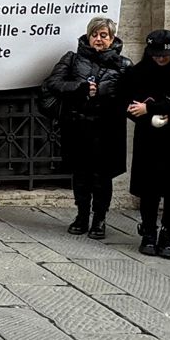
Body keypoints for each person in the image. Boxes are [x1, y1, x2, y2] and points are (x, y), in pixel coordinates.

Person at [119, 29, 170, 258]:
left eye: (164, 55)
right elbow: (127, 101)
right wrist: (140, 113)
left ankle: (168, 233)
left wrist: (153, 108)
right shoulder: (138, 71)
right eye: (156, 55)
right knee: (149, 188)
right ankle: (148, 232)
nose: (160, 59)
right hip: (149, 136)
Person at [47, 16, 125, 239]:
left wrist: (105, 92)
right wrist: (79, 88)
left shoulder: (124, 64)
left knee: (103, 177)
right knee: (81, 175)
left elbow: (128, 95)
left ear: (112, 39)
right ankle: (81, 216)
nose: (99, 39)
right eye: (95, 34)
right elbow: (54, 83)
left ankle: (99, 219)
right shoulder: (72, 59)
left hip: (107, 129)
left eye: (104, 35)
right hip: (78, 126)